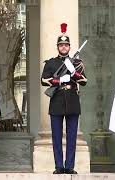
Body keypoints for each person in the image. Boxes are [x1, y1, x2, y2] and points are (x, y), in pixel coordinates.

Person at [41, 23, 87, 174]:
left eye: (66, 45)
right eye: (61, 45)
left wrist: (74, 73)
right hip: (57, 101)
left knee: (72, 136)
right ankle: (59, 166)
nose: (64, 47)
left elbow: (84, 82)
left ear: (69, 46)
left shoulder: (77, 63)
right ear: (58, 47)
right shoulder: (51, 63)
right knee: (56, 136)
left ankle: (69, 167)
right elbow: (44, 80)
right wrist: (59, 80)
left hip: (72, 101)